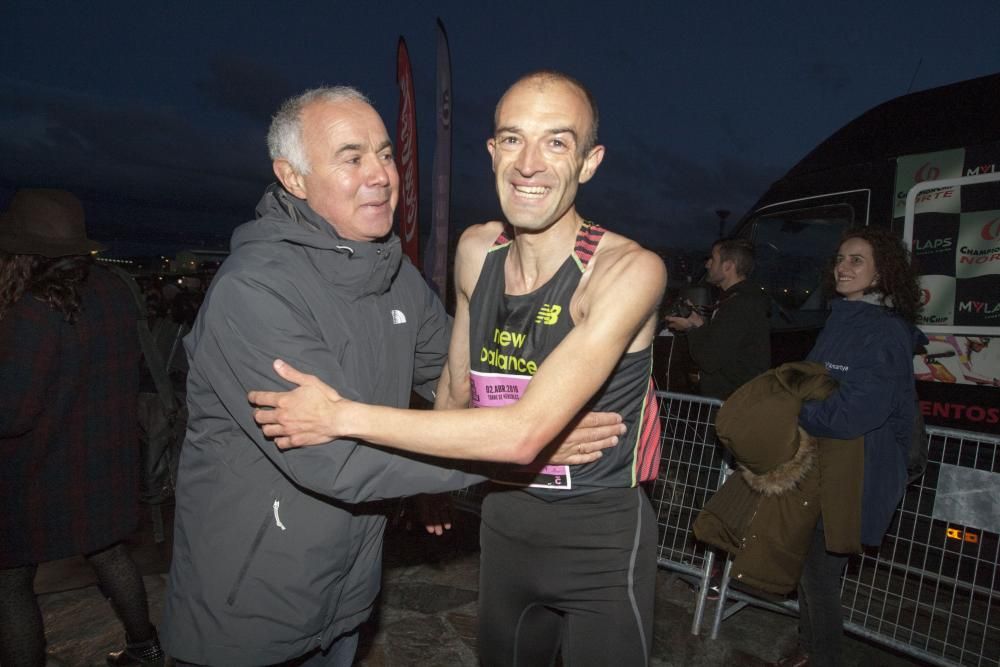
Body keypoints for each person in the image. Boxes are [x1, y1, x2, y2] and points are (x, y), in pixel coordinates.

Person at [161, 86, 620, 666]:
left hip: (346, 589)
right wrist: (523, 446)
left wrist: (548, 405)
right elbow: (336, 460)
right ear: (293, 178)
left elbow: (457, 374)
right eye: (351, 159)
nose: (381, 175)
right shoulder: (255, 290)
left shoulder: (390, 270)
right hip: (248, 602)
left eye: (384, 153)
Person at [0, 189, 164, 666]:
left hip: (38, 474)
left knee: (9, 580)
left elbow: (12, 414)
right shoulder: (112, 290)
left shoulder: (33, 308)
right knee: (110, 555)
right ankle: (146, 649)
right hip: (101, 464)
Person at [774, 227, 925, 667]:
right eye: (840, 258)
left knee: (819, 574)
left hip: (858, 473)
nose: (843, 266)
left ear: (882, 274)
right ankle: (809, 648)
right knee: (809, 568)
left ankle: (822, 656)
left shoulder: (884, 332)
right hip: (826, 466)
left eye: (857, 260)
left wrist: (791, 412)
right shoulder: (843, 318)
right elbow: (814, 385)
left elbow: (855, 413)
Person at [665, 237, 771, 399]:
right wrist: (699, 324)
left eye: (713, 259)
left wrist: (690, 328)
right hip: (736, 400)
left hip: (734, 405)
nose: (707, 264)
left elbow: (708, 359)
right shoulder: (739, 299)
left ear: (728, 266)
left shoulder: (740, 304)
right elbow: (724, 344)